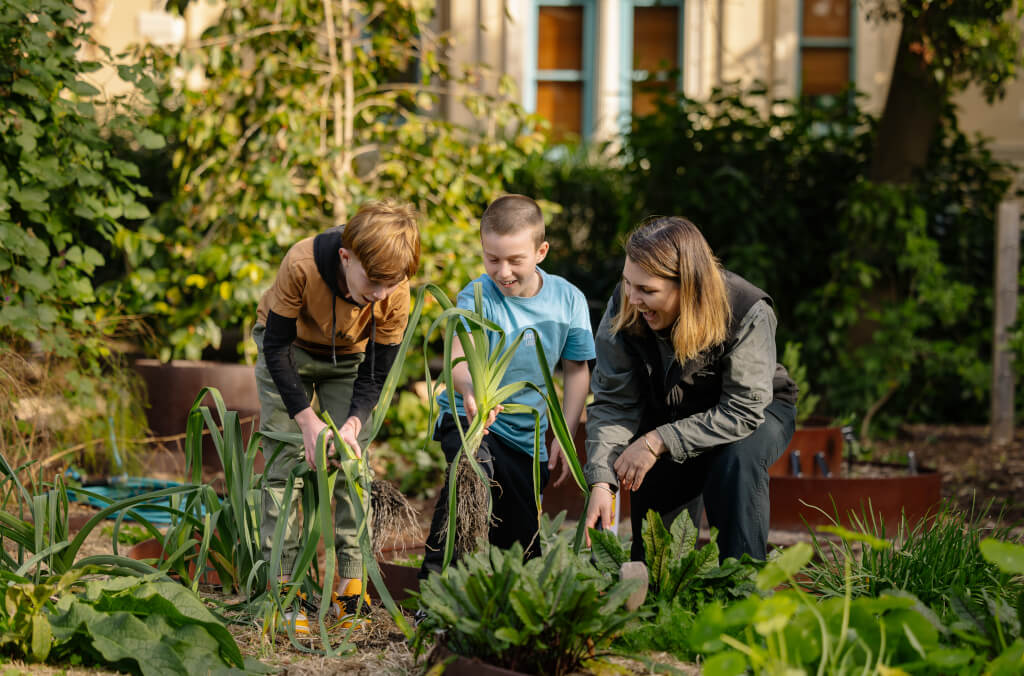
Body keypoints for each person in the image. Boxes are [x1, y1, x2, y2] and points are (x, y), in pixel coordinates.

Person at [583, 216, 797, 562]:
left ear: (688, 285)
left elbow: (744, 408)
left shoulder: (746, 309)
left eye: (647, 291)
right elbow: (613, 401)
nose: (633, 299)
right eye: (627, 283)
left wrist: (656, 441)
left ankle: (742, 589)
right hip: (668, 410)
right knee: (656, 561)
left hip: (751, 412)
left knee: (735, 462)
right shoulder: (625, 303)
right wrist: (601, 482)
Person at [253, 200, 420, 632]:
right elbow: (274, 347)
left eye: (392, 283)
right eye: (375, 281)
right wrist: (306, 421)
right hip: (288, 351)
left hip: (349, 358)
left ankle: (350, 584)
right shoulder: (302, 263)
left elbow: (378, 369)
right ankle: (286, 587)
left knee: (352, 464)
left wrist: (353, 422)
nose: (382, 293)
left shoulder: (394, 290)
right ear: (347, 257)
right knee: (284, 464)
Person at [418, 194, 595, 580]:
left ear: (541, 251)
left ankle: (504, 595)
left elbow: (577, 370)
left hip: (525, 432)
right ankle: (436, 588)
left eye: (515, 260)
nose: (503, 272)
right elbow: (459, 360)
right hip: (470, 415)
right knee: (472, 473)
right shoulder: (476, 296)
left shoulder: (569, 300)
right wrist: (470, 392)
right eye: (492, 258)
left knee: (518, 541)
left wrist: (563, 435)